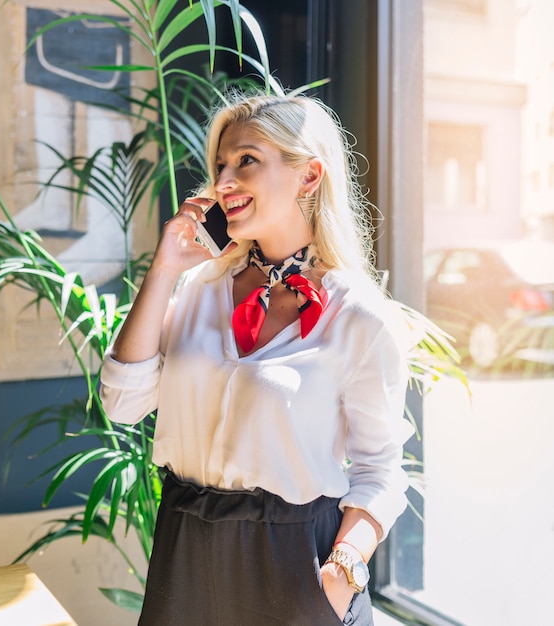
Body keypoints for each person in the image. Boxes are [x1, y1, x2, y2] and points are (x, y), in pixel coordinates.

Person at [99, 93, 413, 625]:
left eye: (246, 160)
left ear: (309, 176)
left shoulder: (360, 318)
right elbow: (123, 405)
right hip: (187, 548)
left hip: (297, 567)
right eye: (220, 165)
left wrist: (340, 574)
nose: (223, 181)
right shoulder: (200, 290)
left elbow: (380, 470)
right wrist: (163, 271)